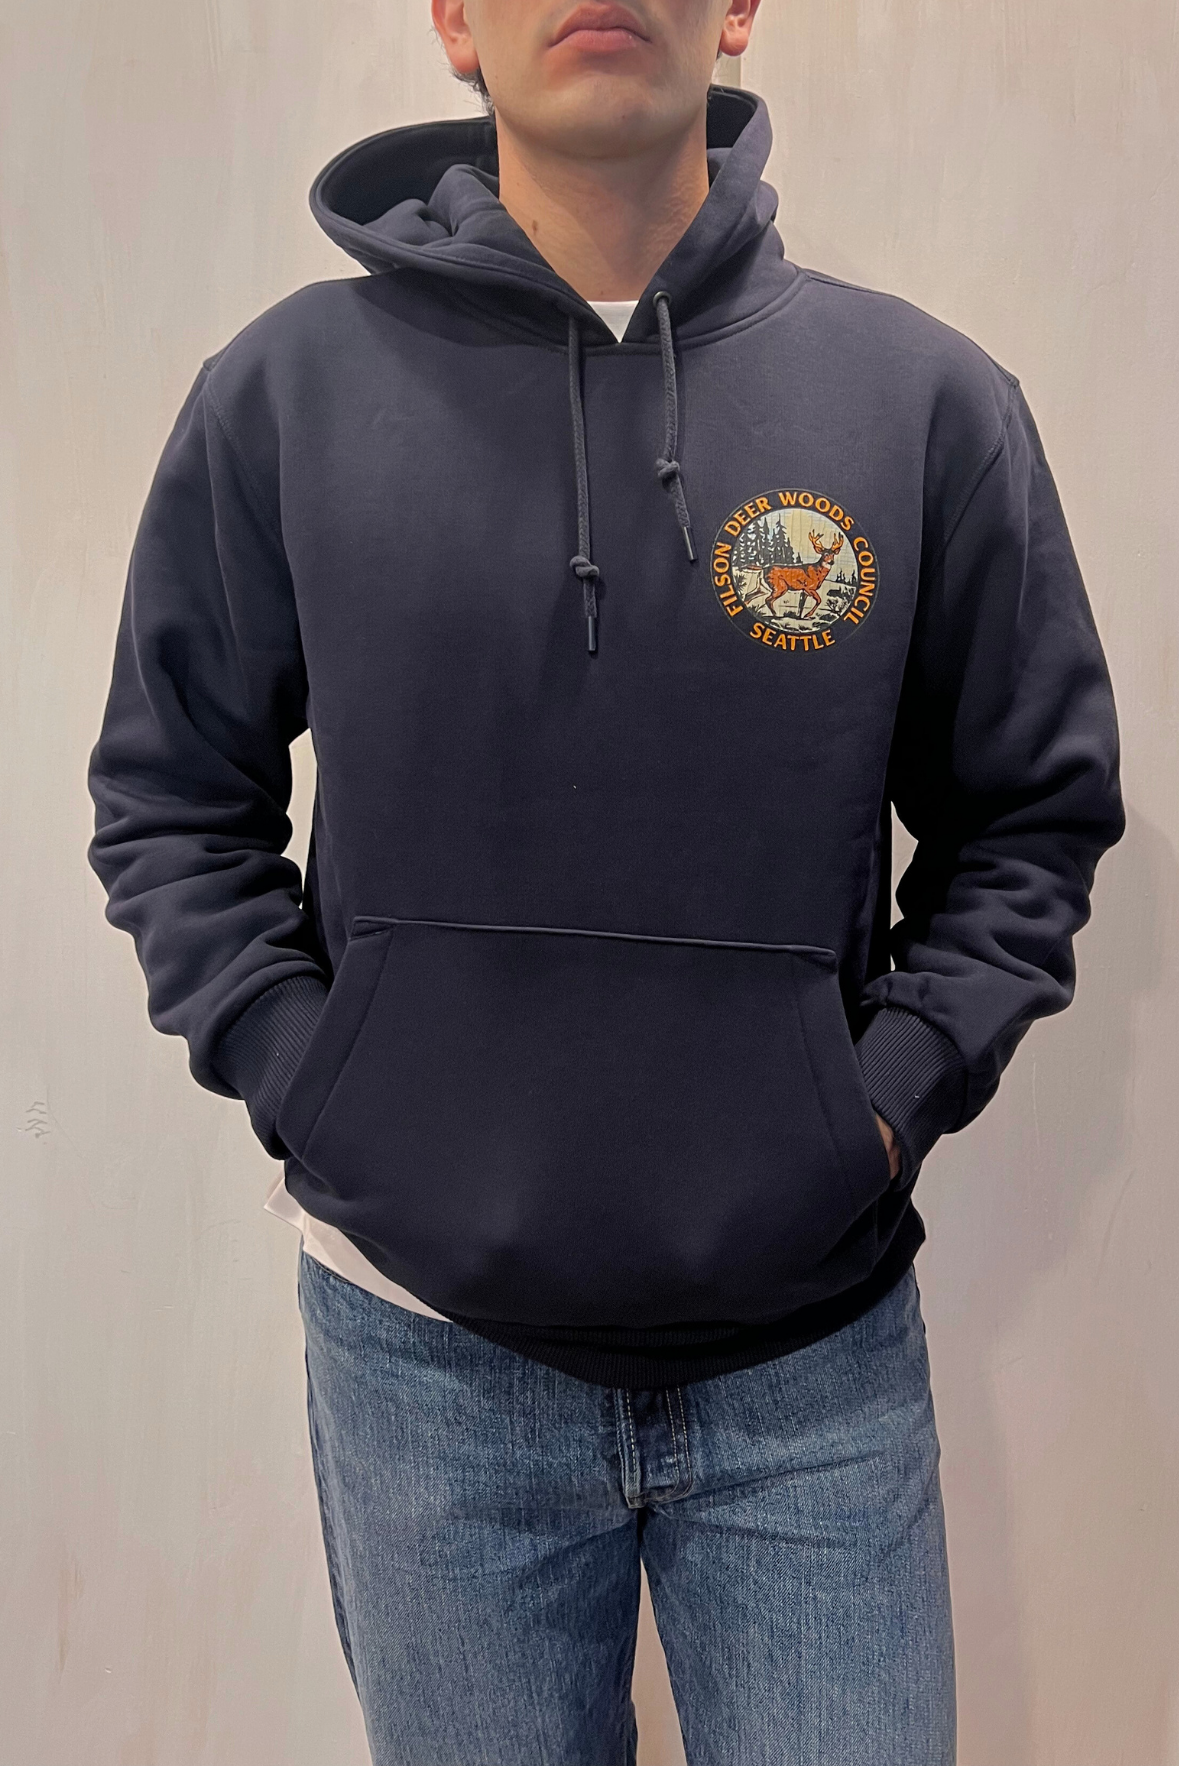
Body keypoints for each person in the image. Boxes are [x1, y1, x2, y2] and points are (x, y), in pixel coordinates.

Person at [86, 0, 1124, 1760]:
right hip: (422, 1352)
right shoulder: (282, 394)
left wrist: (876, 1105)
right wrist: (317, 1079)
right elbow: (172, 796)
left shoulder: (923, 404)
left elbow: (1025, 817)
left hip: (810, 1359)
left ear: (737, 11)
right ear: (452, 22)